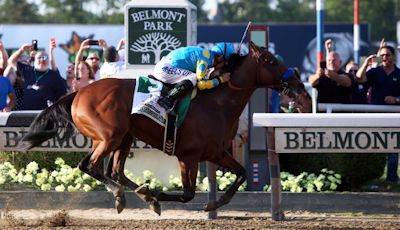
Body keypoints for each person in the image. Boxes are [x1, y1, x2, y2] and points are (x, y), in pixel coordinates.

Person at [356, 44, 400, 184]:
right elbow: (359, 78)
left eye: (387, 55)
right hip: (375, 116)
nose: (385, 58)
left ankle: (392, 179)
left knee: (393, 148)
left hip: (394, 117)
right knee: (372, 148)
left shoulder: (399, 73)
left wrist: (396, 99)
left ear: (393, 56)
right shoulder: (375, 72)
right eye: (382, 55)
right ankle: (371, 180)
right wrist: (365, 64)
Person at [153, 42, 234, 112]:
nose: (223, 66)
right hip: (164, 69)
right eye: (225, 62)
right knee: (193, 78)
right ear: (220, 58)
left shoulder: (207, 55)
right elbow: (201, 85)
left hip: (165, 66)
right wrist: (221, 79)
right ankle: (168, 99)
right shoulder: (205, 61)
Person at [8, 43, 67, 110]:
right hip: (25, 113)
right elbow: (11, 61)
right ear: (35, 59)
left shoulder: (54, 75)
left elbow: (63, 95)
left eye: (45, 57)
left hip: (45, 114)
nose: (42, 60)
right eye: (39, 57)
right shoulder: (27, 69)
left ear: (48, 61)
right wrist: (21, 50)